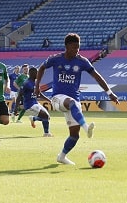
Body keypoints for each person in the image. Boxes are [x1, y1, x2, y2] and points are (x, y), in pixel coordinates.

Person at [34, 33, 120, 165]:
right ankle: (86, 127)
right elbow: (41, 68)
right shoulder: (56, 59)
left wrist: (109, 93)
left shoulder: (82, 61)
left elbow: (96, 76)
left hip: (74, 100)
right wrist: (37, 86)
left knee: (74, 135)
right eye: (74, 47)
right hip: (57, 98)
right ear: (67, 46)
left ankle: (61, 156)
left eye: (78, 47)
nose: (77, 50)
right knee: (72, 103)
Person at [20, 66, 53, 136]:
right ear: (33, 74)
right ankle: (46, 133)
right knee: (45, 116)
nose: (38, 74)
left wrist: (49, 100)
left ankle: (33, 118)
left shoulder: (36, 82)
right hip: (29, 105)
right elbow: (20, 94)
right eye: (37, 73)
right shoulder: (26, 83)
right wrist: (16, 107)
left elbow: (39, 94)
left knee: (47, 117)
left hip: (35, 103)